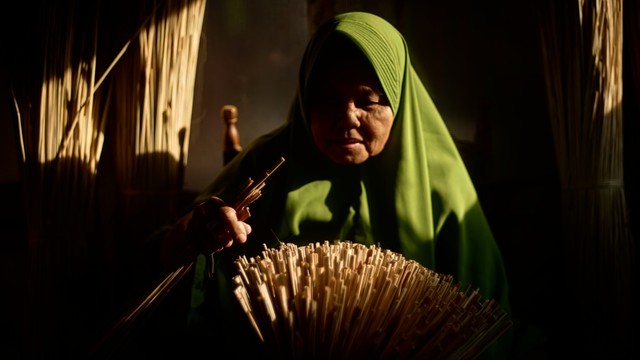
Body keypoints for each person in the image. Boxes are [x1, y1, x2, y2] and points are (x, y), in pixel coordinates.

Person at [161, 11, 513, 359]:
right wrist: (202, 233)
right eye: (327, 100)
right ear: (304, 98)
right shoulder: (267, 164)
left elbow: (482, 312)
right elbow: (176, 257)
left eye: (367, 101)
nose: (346, 118)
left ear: (398, 100)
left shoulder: (440, 178)